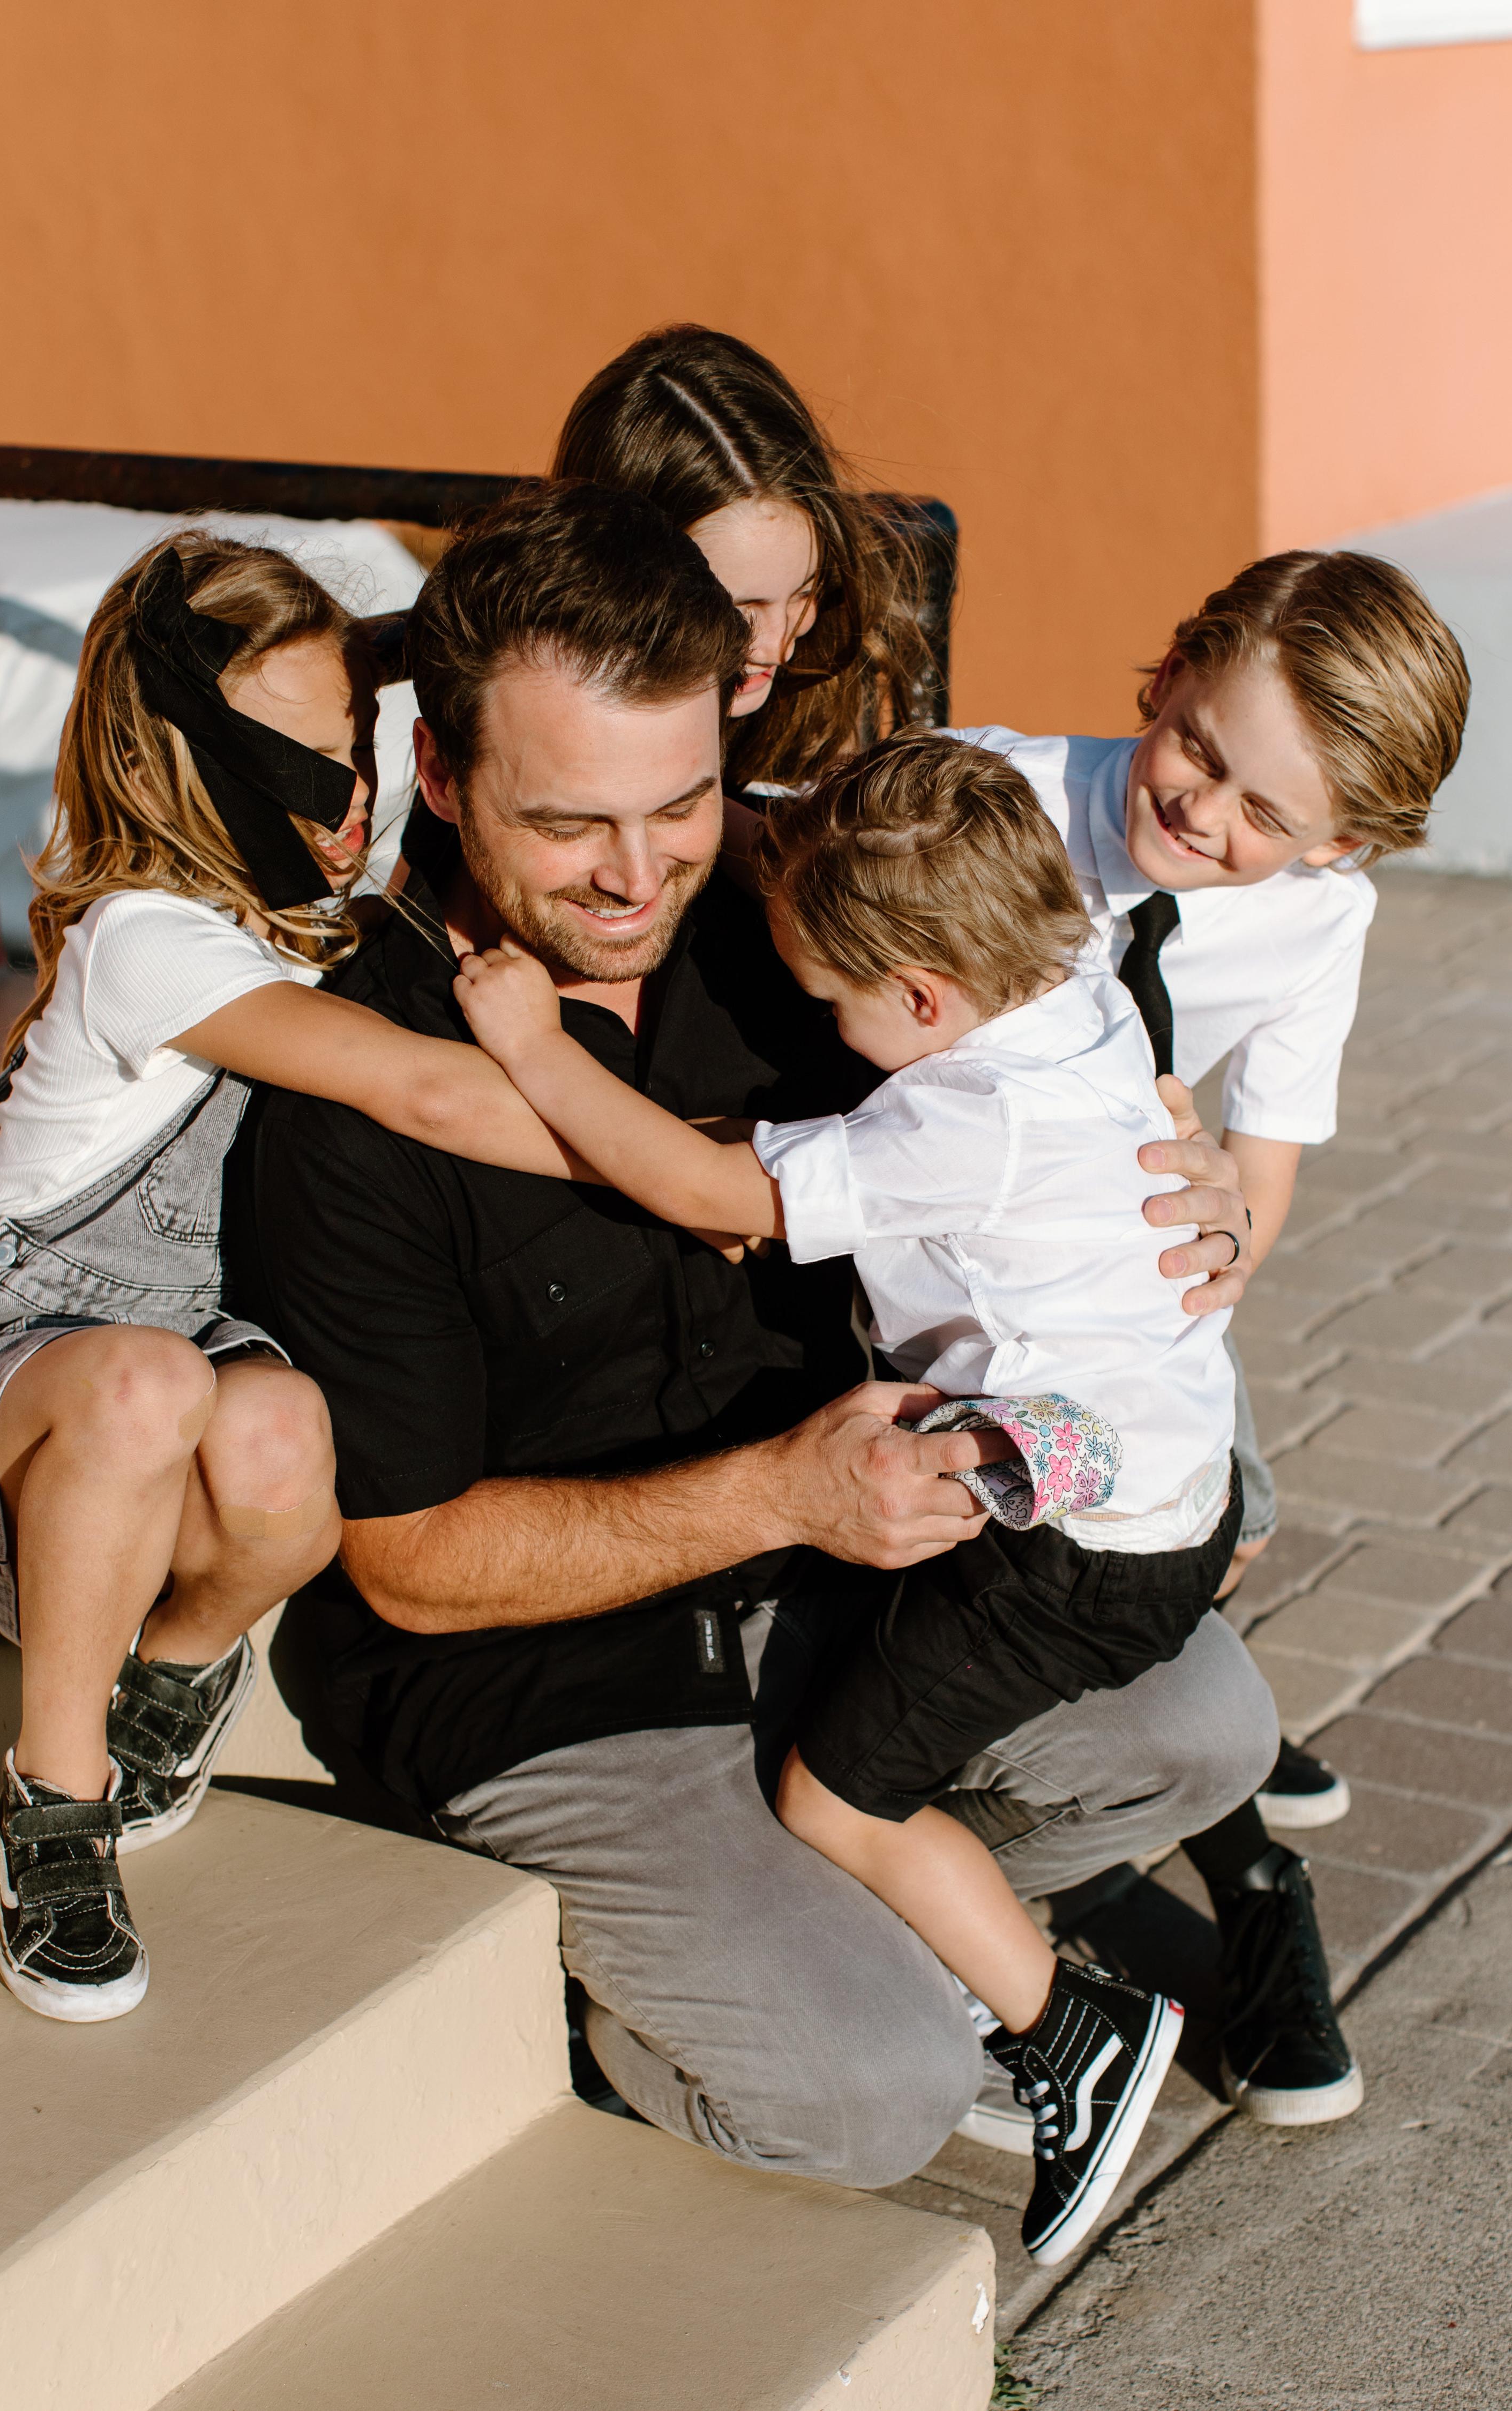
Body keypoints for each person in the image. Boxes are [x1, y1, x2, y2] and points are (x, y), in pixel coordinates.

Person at [239, 481, 1274, 2195]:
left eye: (682, 803)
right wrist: (782, 1495)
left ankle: (861, 1934)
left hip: (839, 1592)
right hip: (556, 1679)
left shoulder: (810, 922)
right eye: (570, 823)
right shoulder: (356, 1093)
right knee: (874, 2096)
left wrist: (1189, 1171)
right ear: (442, 773)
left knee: (1203, 1724)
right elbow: (412, 1569)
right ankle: (645, 2010)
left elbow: (1049, 1040)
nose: (638, 871)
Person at [453, 728, 1247, 2263]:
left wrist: (533, 1046)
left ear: (925, 1000)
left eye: (835, 1001)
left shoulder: (955, 1115)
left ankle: (1065, 2026)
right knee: (876, 1734)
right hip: (1167, 1491)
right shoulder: (1075, 985)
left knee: (836, 1795)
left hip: (1071, 1555)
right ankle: (946, 1954)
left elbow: (713, 1190)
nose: (826, 1025)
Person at [0, 531, 638, 2024]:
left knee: (285, 1425)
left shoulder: (299, 915)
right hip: (13, 1401)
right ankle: (56, 1792)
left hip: (183, 1389)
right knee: (148, 1381)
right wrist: (704, 1170)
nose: (353, 792)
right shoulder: (147, 939)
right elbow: (424, 1093)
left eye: (359, 747)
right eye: (307, 765)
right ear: (186, 764)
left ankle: (177, 1662)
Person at [952, 546, 1470, 2124]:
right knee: (1102, 1533)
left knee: (1220, 1511)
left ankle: (1200, 1786)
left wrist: (1214, 1256)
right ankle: (1239, 1865)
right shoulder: (986, 798)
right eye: (1197, 747)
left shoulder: (1319, 915)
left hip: (1126, 1280)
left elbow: (1259, 1174)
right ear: (1170, 667)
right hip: (951, 1249)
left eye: (1265, 811)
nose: (1200, 811)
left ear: (1342, 840)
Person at [551, 322, 935, 789]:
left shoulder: (823, 680)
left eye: (805, 592)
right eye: (741, 608)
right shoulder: (536, 700)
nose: (778, 647)